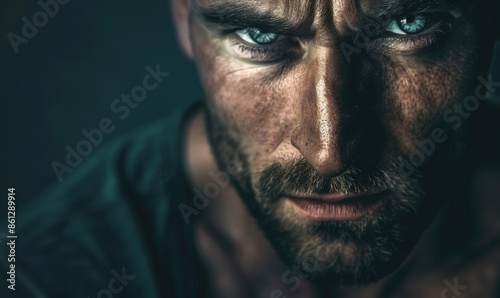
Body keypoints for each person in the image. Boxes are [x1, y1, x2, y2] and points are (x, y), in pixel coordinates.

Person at [4, 0, 500, 297]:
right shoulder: (44, 279)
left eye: (408, 26)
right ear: (182, 18)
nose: (329, 153)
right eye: (259, 35)